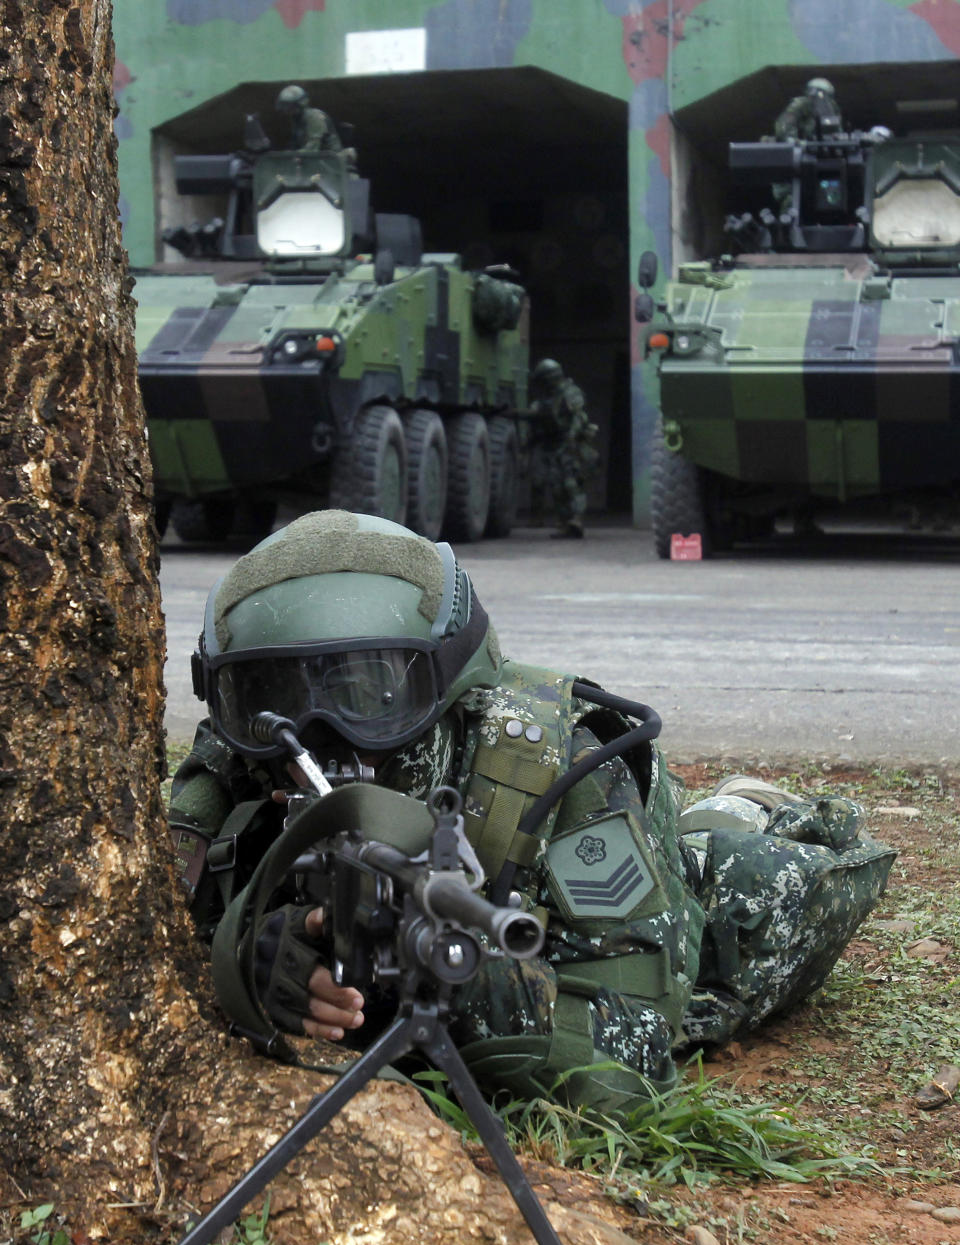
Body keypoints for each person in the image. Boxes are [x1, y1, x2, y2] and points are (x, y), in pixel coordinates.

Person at [169, 509, 895, 1115]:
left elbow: (636, 1045)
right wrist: (251, 956)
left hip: (643, 894)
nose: (320, 733)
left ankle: (739, 807)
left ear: (453, 681)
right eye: (274, 695)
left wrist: (456, 984)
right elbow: (158, 938)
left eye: (371, 692)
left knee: (751, 889)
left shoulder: (563, 769)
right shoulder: (236, 765)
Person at [526, 359, 599, 539]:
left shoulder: (570, 393)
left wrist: (572, 440)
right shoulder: (548, 398)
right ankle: (565, 523)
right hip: (555, 446)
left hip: (571, 444)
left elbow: (578, 418)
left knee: (572, 484)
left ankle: (577, 520)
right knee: (557, 486)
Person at [775, 77, 843, 142]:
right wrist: (791, 140)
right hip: (803, 144)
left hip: (825, 143)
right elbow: (784, 125)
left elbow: (835, 128)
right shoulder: (799, 105)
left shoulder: (832, 107)